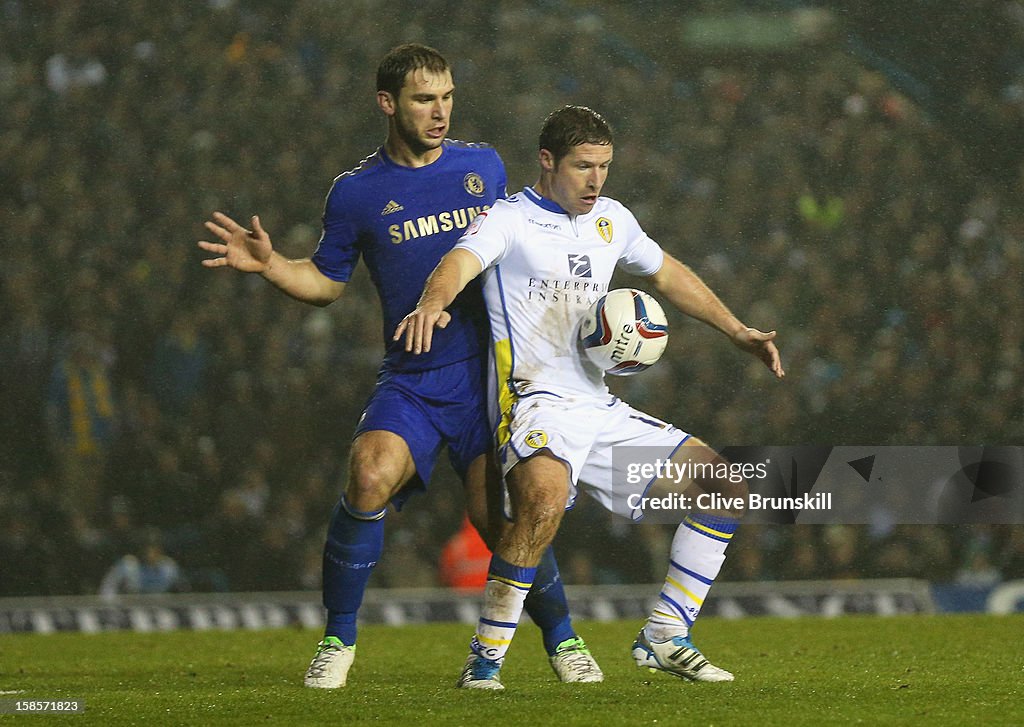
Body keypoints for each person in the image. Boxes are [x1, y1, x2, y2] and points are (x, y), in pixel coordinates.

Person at [197, 45, 601, 688]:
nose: (439, 112)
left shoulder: (483, 166)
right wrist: (272, 264)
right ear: (387, 104)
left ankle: (564, 640)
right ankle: (337, 640)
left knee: (501, 520)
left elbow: (531, 242)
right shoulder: (357, 194)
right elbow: (327, 282)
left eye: (446, 97)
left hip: (488, 378)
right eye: (423, 99)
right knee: (367, 474)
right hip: (412, 378)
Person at [396, 105, 785, 689]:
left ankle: (664, 635)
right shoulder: (509, 219)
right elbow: (458, 262)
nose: (596, 180)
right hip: (533, 403)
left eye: (604, 166)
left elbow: (667, 273)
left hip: (598, 409)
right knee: (544, 502)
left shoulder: (613, 220)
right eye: (583, 167)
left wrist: (735, 330)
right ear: (548, 161)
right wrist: (434, 302)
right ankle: (485, 660)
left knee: (724, 484)